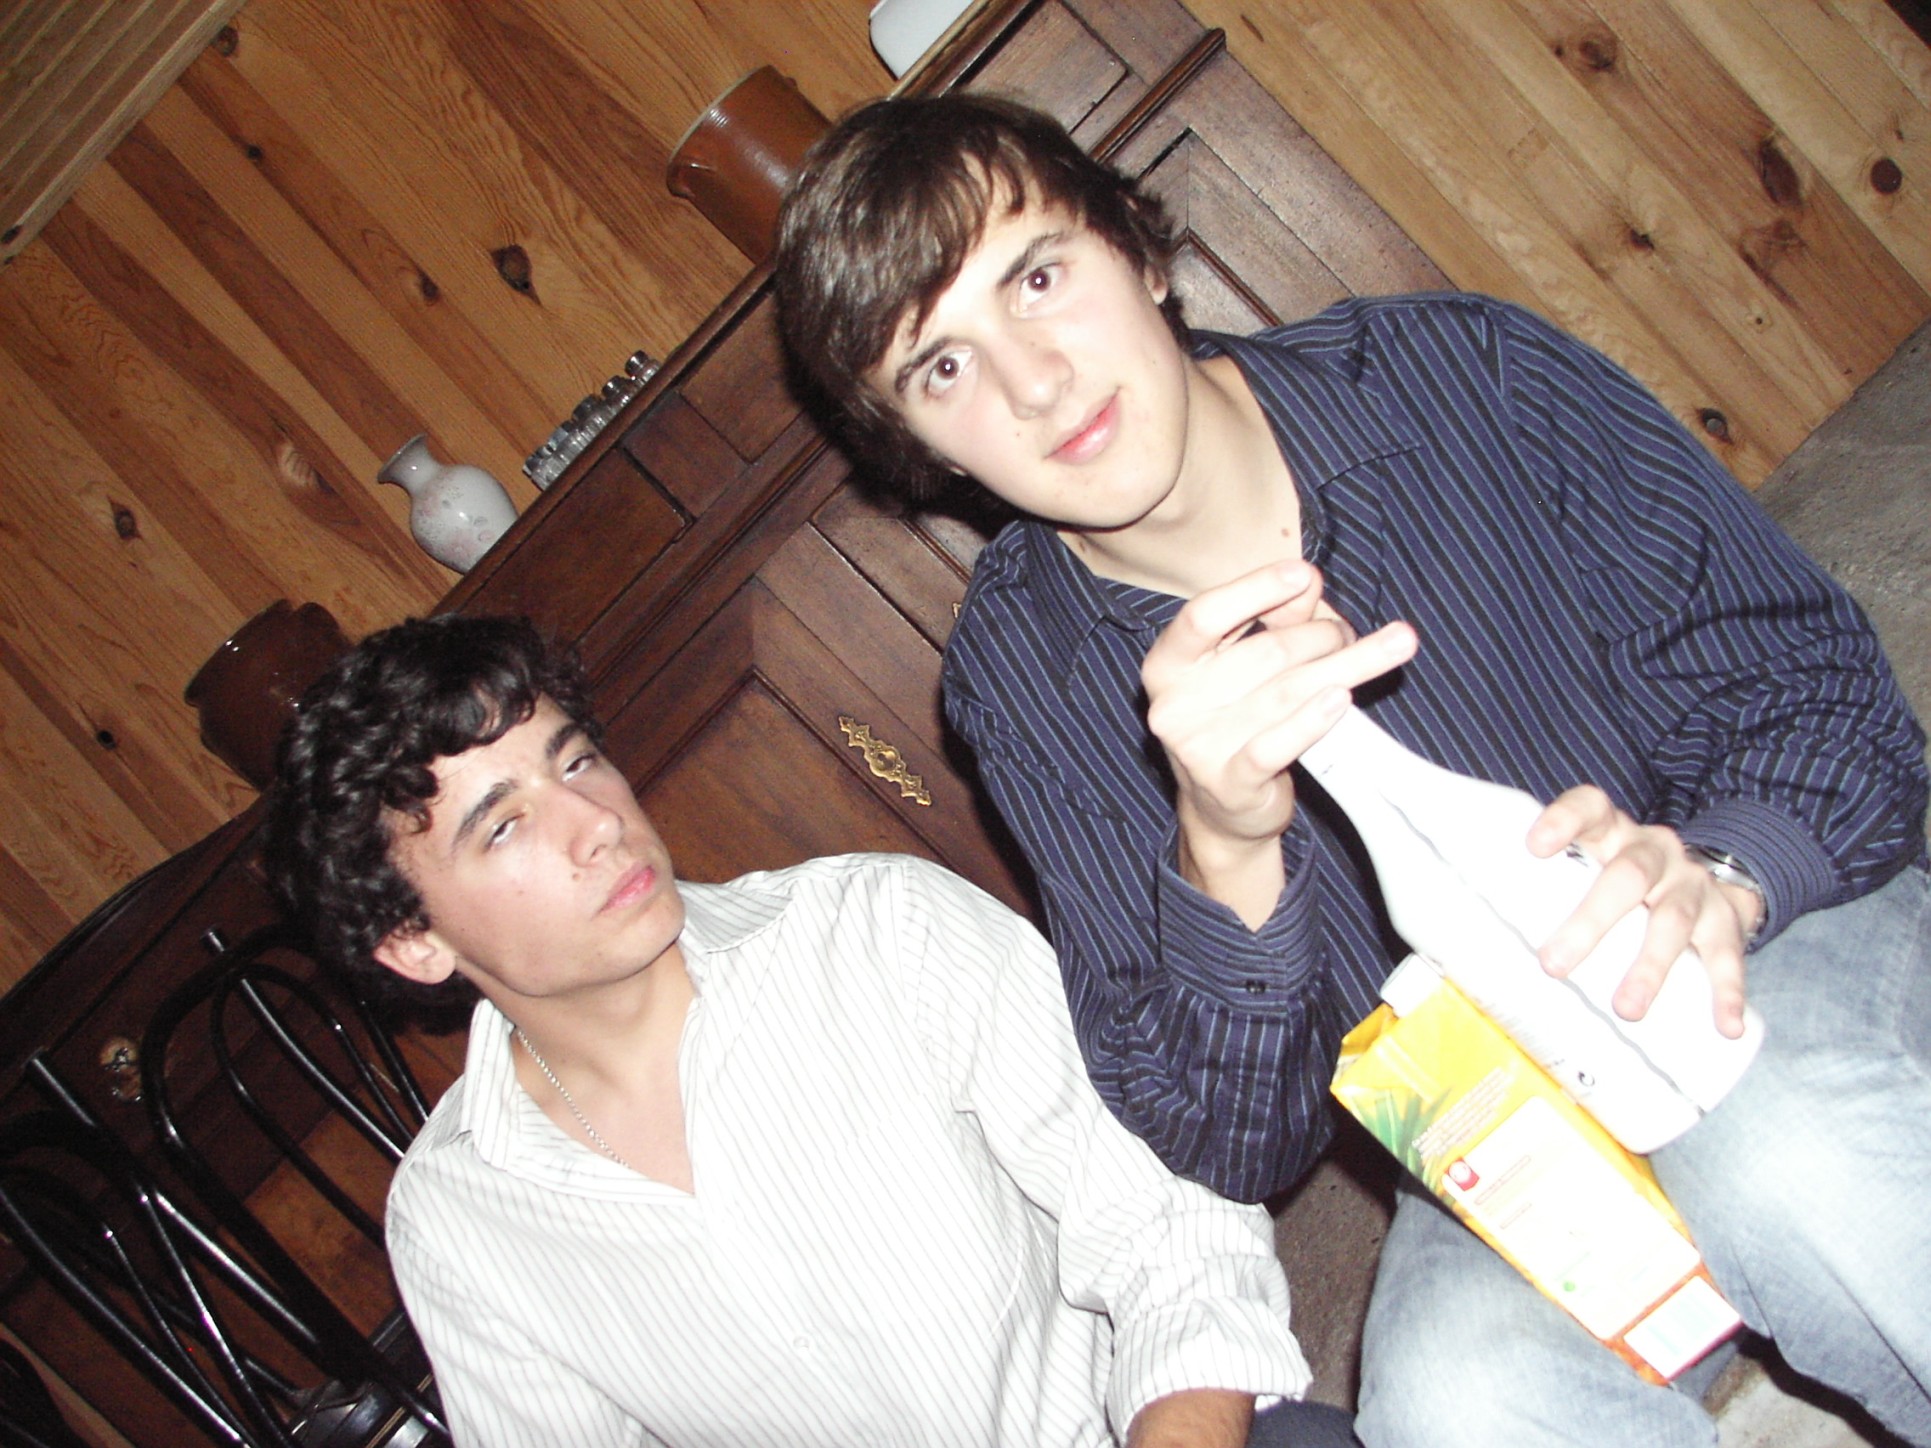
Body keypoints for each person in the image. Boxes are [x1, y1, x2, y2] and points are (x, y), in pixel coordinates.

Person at [771, 93, 1931, 1448]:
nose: (1031, 382)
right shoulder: (1022, 681)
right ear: (920, 446)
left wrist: (1719, 871)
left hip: (1749, 938)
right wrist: (1220, 843)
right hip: (1503, 1128)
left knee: (1783, 1158)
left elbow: (1815, 687)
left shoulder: (1461, 371)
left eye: (1036, 278)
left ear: (1134, 248)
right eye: (941, 368)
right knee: (1454, 1403)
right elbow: (1232, 1141)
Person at [262, 612, 1355, 1448]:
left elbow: (1170, 1225)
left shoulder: (880, 928)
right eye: (504, 825)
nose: (595, 822)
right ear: (414, 941)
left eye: (576, 759)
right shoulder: (458, 1218)